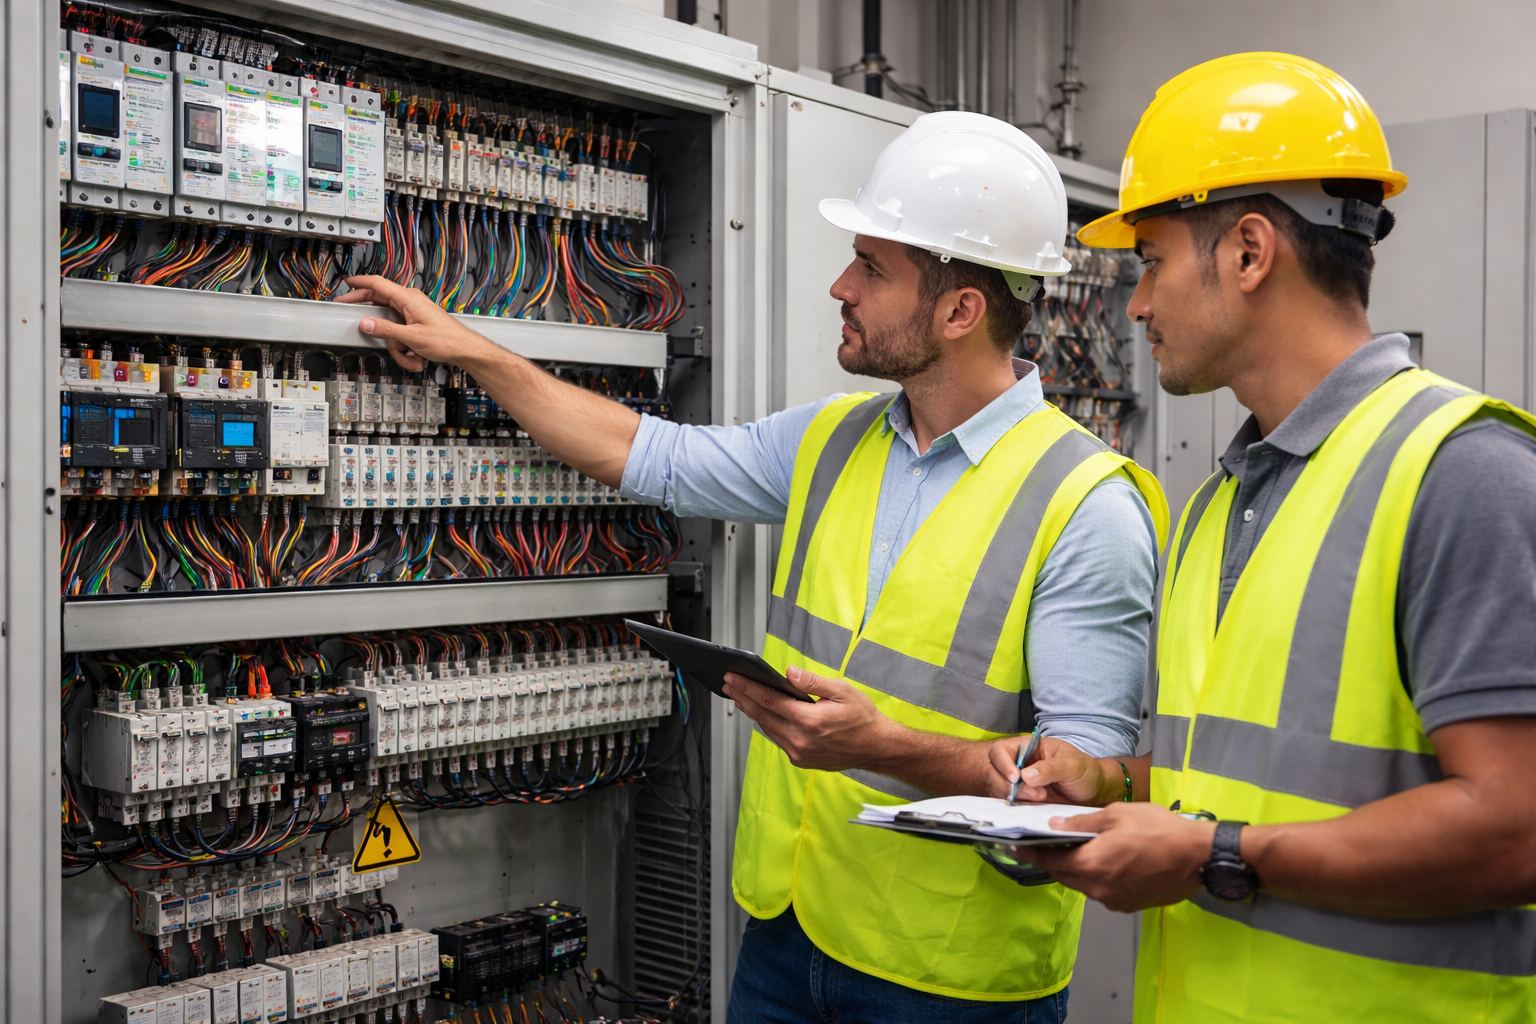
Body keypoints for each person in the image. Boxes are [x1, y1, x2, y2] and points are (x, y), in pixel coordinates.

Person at [339, 111, 1166, 1022]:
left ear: (960, 310)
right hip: (787, 932)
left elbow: (1079, 786)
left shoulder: (1086, 503)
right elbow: (651, 453)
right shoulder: (834, 439)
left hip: (948, 979)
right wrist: (476, 354)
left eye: (872, 268)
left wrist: (884, 748)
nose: (839, 286)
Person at [986, 52, 1536, 1022]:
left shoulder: (1462, 473)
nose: (1140, 303)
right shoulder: (1219, 499)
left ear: (1248, 251)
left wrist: (1213, 855)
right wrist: (1108, 781)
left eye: (1150, 260)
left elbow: (1515, 825)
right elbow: (1250, 776)